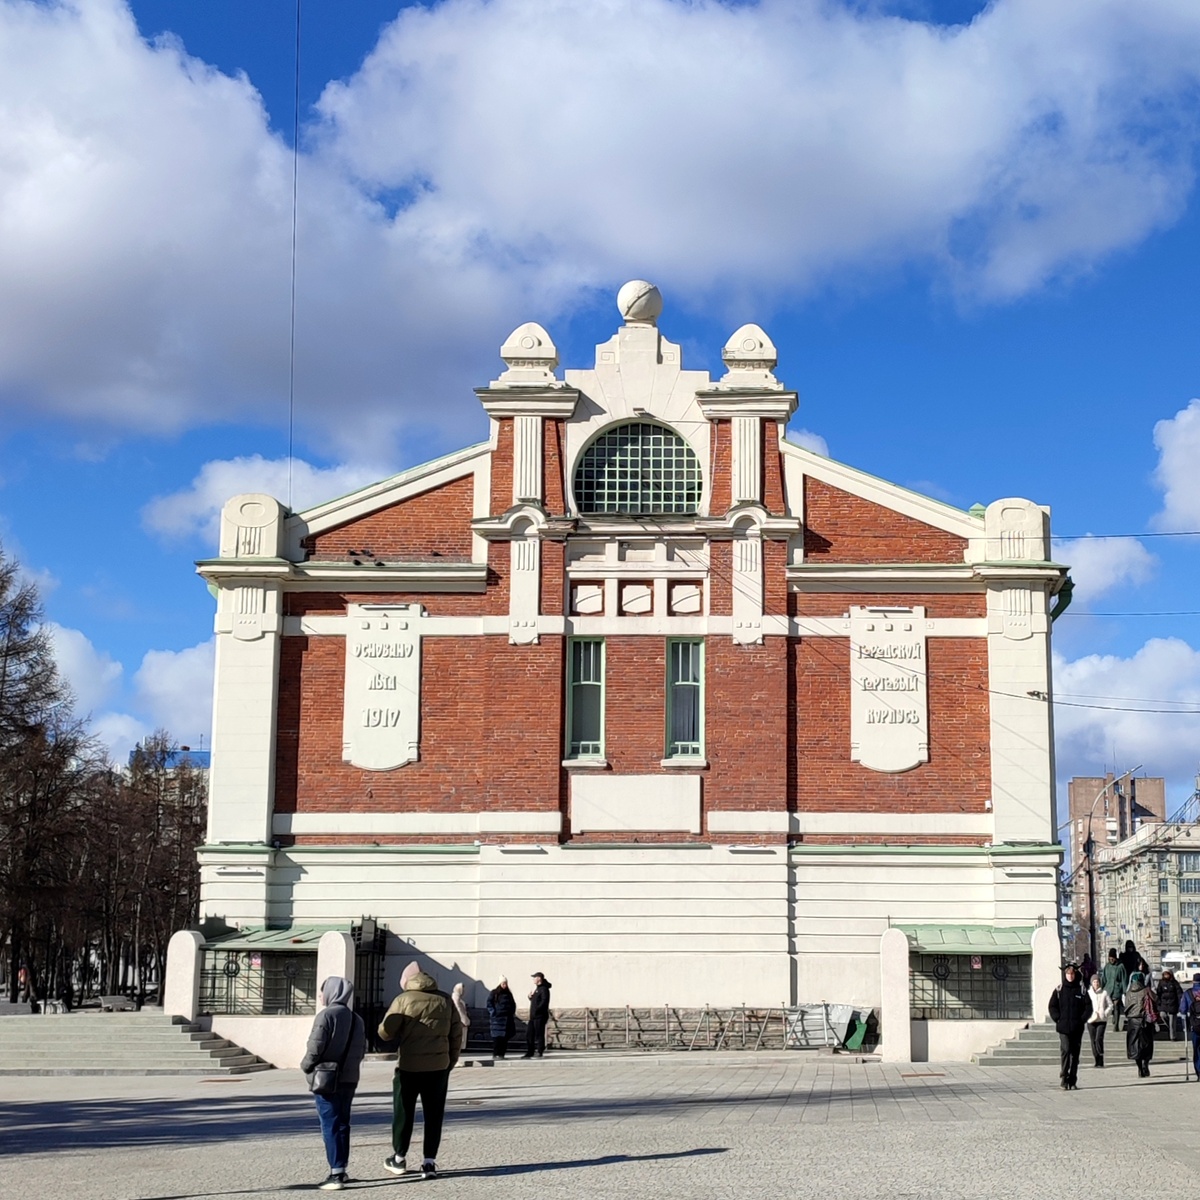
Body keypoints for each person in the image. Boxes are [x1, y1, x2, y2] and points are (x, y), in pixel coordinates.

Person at [379, 961, 461, 1180]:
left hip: (409, 1067)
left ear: (406, 982)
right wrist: (449, 1062)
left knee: (403, 1112)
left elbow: (385, 1032)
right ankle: (429, 1162)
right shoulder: (445, 1000)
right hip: (438, 1067)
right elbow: (456, 1034)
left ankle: (399, 1158)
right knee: (434, 1115)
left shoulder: (403, 1000)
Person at [300, 976, 367, 1192]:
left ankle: (335, 1173)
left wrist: (306, 1066)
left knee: (329, 1124)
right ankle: (342, 1169)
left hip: (327, 1078)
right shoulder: (357, 1019)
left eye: (321, 991)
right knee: (343, 1123)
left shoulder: (326, 1016)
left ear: (330, 992)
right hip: (349, 1078)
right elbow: (361, 1050)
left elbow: (315, 1047)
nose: (320, 996)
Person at [1048, 963, 1089, 1089]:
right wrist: (1057, 1018)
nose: (1070, 976)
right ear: (1065, 975)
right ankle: (1064, 1077)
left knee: (1075, 1054)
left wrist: (1082, 1019)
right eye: (1068, 974)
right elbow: (1052, 1006)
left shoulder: (1081, 990)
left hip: (1077, 1027)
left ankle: (1073, 1079)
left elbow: (1088, 1007)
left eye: (1072, 974)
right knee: (1065, 1050)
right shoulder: (1059, 990)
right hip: (1064, 1027)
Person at [1125, 969, 1158, 1077]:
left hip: (1132, 1021)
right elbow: (1155, 999)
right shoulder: (1146, 991)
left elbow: (1126, 1008)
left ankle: (1139, 1067)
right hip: (1145, 1021)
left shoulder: (1128, 992)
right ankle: (1145, 1064)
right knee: (1146, 1044)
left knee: (1134, 1045)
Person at [1086, 973, 1113, 1067]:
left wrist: (1105, 1013)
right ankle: (1096, 1058)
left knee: (1098, 1039)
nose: (1096, 983)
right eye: (1094, 982)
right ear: (1091, 983)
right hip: (1091, 1020)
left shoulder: (1104, 993)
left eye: (1097, 981)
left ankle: (1100, 1058)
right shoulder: (1088, 993)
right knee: (1093, 1040)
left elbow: (1110, 1005)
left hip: (1101, 1020)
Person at [523, 972, 552, 1059]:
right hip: (533, 1016)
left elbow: (544, 1002)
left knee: (539, 1034)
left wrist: (537, 1010)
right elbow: (536, 1001)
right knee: (529, 1034)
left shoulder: (544, 989)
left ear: (539, 978)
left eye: (534, 977)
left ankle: (539, 1051)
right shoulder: (537, 989)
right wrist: (530, 997)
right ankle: (530, 1051)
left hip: (540, 1016)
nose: (533, 979)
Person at [486, 977, 516, 1059]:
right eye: (503, 983)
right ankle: (496, 1054)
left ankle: (502, 1054)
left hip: (507, 1020)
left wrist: (511, 1013)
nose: (504, 985)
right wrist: (493, 1013)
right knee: (497, 1039)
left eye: (506, 983)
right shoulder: (494, 993)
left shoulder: (509, 994)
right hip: (497, 1020)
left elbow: (513, 1004)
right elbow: (489, 1003)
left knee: (504, 1039)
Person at [1101, 949, 1127, 1031]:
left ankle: (1116, 1025)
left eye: (1113, 958)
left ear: (1116, 957)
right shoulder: (1107, 966)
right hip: (1108, 989)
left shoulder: (1120, 966)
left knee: (1116, 1006)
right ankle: (1113, 1017)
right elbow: (1103, 978)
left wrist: (1125, 990)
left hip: (1117, 989)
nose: (1111, 959)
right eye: (1110, 958)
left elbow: (1124, 979)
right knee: (1110, 1006)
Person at [1180, 973, 1200, 1079]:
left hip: (1195, 1026)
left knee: (1196, 1050)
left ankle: (1199, 1072)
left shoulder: (1188, 993)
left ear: (1193, 981)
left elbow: (1182, 1009)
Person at [1157, 968, 1183, 1041]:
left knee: (1172, 1021)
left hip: (1173, 1004)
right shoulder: (1161, 983)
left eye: (1167, 974)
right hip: (1164, 1004)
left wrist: (1180, 1003)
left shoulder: (1175, 983)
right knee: (1162, 1015)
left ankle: (1173, 1037)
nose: (1166, 976)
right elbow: (1158, 993)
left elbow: (1179, 993)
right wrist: (1158, 1003)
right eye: (1165, 974)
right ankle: (1171, 1029)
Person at [450, 982, 471, 1053]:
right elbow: (459, 1011)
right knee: (458, 1041)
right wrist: (465, 1020)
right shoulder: (456, 999)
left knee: (460, 1041)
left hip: (461, 1022)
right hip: (460, 1022)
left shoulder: (457, 998)